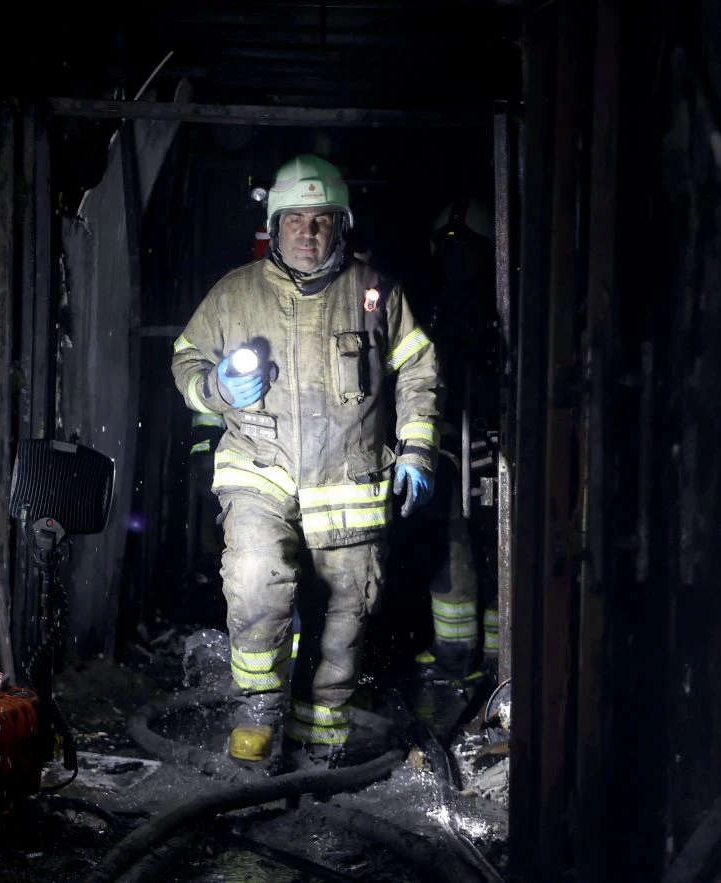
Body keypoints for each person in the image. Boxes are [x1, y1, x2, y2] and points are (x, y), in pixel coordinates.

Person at [170, 153, 444, 767]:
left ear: (340, 225)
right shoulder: (234, 293)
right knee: (255, 579)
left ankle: (320, 742)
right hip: (259, 469)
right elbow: (185, 358)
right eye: (295, 220)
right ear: (275, 224)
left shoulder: (376, 294)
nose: (308, 233)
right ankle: (259, 711)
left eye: (321, 220)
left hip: (349, 482)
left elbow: (420, 367)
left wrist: (419, 448)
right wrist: (214, 387)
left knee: (345, 614)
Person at [414, 198, 502, 684]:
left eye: (465, 251)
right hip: (450, 451)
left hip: (494, 449)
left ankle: (498, 658)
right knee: (449, 550)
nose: (455, 262)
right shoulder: (437, 309)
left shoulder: (502, 307)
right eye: (447, 252)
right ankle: (454, 655)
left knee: (496, 547)